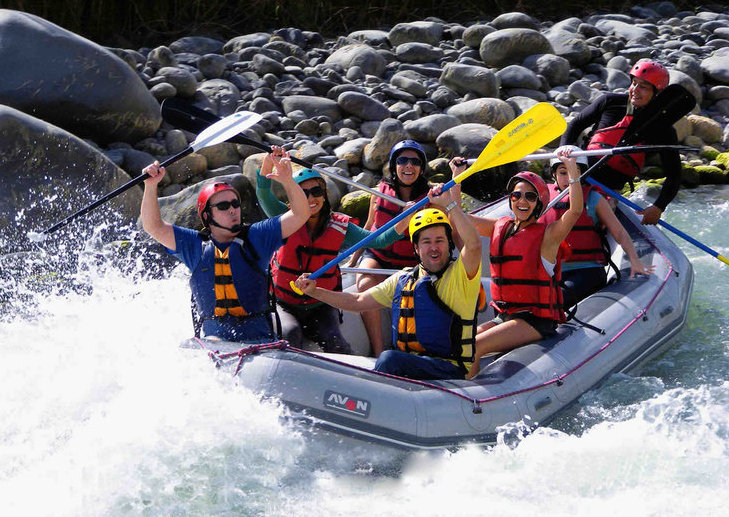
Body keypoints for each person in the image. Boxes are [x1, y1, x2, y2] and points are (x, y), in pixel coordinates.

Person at [294, 164, 483, 380]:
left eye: (439, 241)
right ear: (416, 248)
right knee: (390, 359)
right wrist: (315, 291)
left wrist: (448, 204)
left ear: (448, 244)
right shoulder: (403, 280)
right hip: (412, 371)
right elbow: (356, 301)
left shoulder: (461, 274)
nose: (433, 247)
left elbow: (474, 244)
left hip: (449, 370)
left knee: (387, 360)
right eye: (426, 242)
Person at [140, 147, 309, 342]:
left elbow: (300, 214)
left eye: (235, 204)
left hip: (259, 342)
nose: (232, 210)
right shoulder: (194, 246)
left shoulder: (257, 237)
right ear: (206, 216)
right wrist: (151, 186)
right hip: (213, 343)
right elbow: (153, 226)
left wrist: (287, 180)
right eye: (223, 206)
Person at [255, 162, 413, 354]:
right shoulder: (283, 218)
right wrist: (268, 163)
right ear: (293, 196)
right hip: (284, 303)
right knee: (290, 333)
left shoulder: (339, 227)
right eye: (303, 193)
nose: (311, 197)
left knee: (334, 341)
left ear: (324, 195)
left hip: (320, 304)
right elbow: (263, 193)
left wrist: (405, 218)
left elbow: (379, 241)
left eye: (316, 191)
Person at [464, 149, 584, 379]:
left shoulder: (548, 236)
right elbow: (461, 219)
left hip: (535, 320)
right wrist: (456, 177)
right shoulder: (501, 226)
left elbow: (575, 210)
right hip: (505, 315)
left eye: (530, 196)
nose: (522, 201)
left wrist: (571, 168)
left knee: (473, 347)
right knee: (460, 342)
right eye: (517, 195)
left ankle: (471, 399)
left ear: (539, 203)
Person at [560, 59, 680, 225]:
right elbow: (575, 125)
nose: (635, 90)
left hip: (610, 192)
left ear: (657, 94)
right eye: (634, 83)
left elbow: (674, 175)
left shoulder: (664, 130)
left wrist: (658, 207)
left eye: (643, 86)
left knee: (591, 221)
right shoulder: (610, 102)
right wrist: (564, 153)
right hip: (576, 178)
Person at [540, 146, 655, 307]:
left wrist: (635, 261)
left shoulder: (594, 198)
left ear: (583, 174)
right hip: (552, 270)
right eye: (562, 173)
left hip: (587, 271)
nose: (567, 178)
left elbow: (619, 232)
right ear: (554, 175)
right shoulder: (542, 199)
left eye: (574, 171)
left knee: (556, 302)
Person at [352, 140, 431, 357]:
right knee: (365, 281)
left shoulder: (431, 198)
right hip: (379, 255)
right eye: (402, 160)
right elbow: (370, 229)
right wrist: (352, 261)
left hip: (412, 261)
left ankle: (409, 350)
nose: (408, 166)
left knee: (418, 295)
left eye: (415, 162)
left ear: (421, 168)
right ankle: (378, 351)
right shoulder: (379, 193)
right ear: (394, 165)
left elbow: (448, 230)